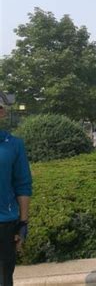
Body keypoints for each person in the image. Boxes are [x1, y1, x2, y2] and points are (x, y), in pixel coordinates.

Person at [0, 104, 32, 286]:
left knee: (4, 278)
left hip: (5, 224)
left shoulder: (14, 144)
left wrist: (23, 223)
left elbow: (23, 185)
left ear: (2, 112)